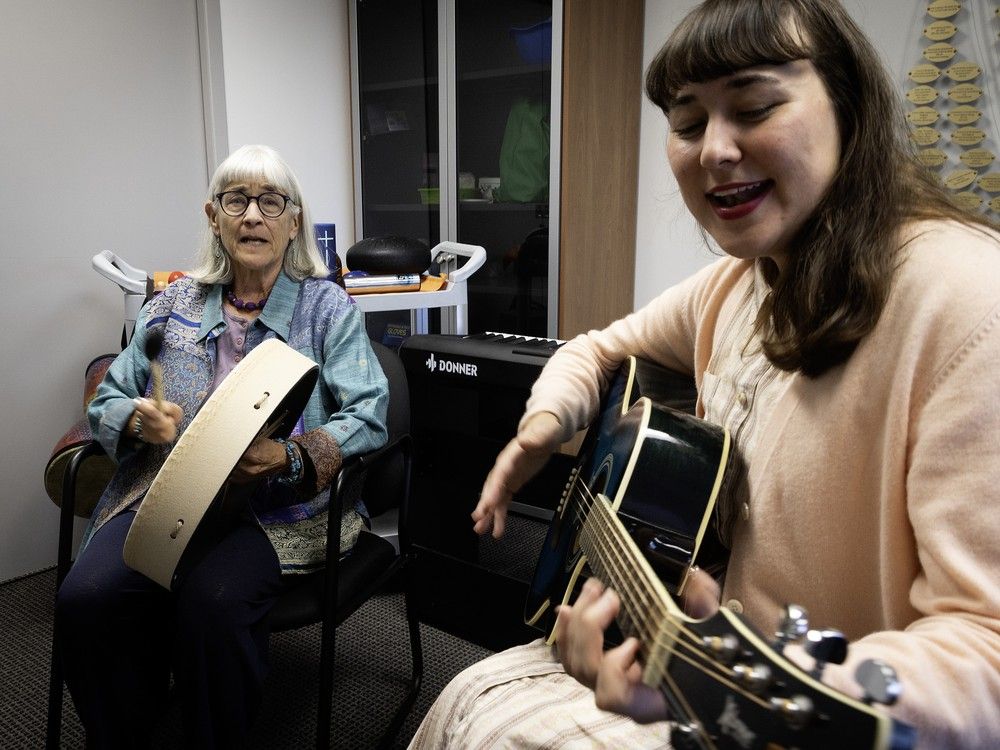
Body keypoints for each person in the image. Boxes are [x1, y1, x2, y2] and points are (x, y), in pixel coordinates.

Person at [409, 0, 1000, 747]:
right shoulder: (739, 283)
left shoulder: (969, 302)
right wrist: (542, 429)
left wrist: (767, 683)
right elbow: (594, 349)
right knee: (469, 694)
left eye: (753, 107)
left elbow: (986, 646)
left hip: (797, 713)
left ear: (850, 110)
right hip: (697, 645)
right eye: (687, 124)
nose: (714, 150)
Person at [55, 144, 389, 748]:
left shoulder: (326, 308)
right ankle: (127, 728)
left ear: (293, 222)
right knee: (85, 599)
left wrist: (290, 455)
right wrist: (134, 421)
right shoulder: (173, 304)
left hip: (274, 511)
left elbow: (370, 411)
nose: (253, 215)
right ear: (214, 217)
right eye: (236, 200)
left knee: (214, 605)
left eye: (270, 202)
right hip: (161, 495)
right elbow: (106, 397)